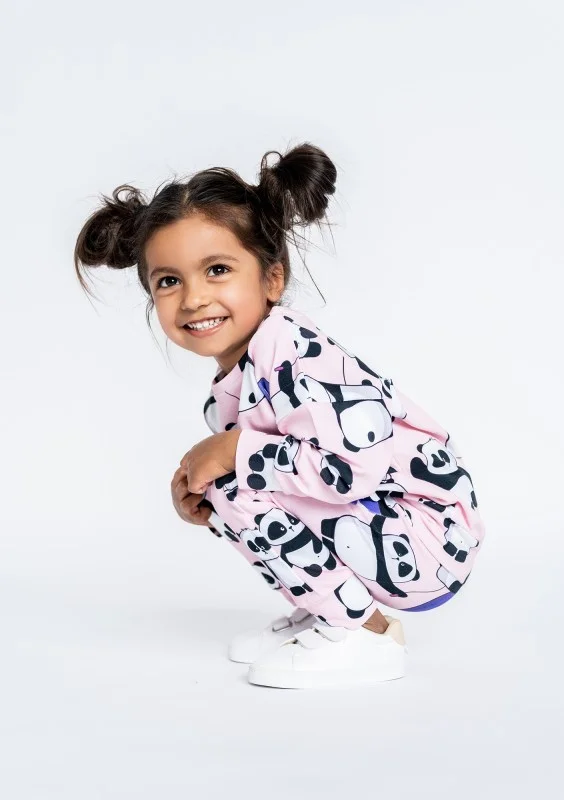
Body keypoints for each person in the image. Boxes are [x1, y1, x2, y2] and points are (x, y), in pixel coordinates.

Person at [74, 142, 485, 690]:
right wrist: (203, 493)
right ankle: (326, 611)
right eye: (168, 281)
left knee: (234, 477)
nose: (192, 298)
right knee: (228, 483)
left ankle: (361, 631)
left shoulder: (293, 352)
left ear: (272, 278)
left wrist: (232, 452)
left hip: (427, 539)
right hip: (384, 532)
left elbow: (351, 469)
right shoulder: (235, 382)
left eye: (217, 270)